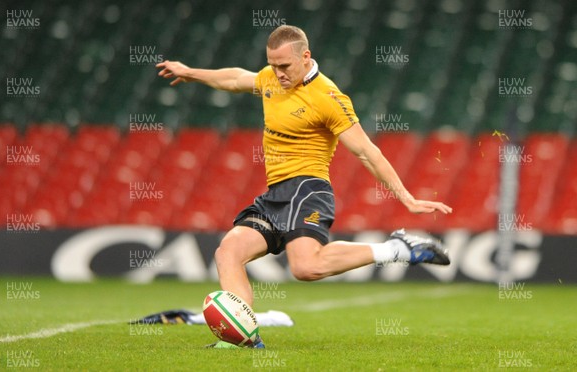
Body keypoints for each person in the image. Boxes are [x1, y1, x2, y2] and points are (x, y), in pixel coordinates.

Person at [156, 25, 452, 349]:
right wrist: (191, 73)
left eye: (285, 66)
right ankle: (241, 338)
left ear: (305, 56)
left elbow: (367, 151)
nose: (278, 73)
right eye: (272, 65)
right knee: (228, 251)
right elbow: (234, 78)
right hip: (275, 194)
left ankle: (397, 249)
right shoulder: (271, 77)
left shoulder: (328, 98)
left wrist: (406, 198)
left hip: (308, 188)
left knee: (306, 267)